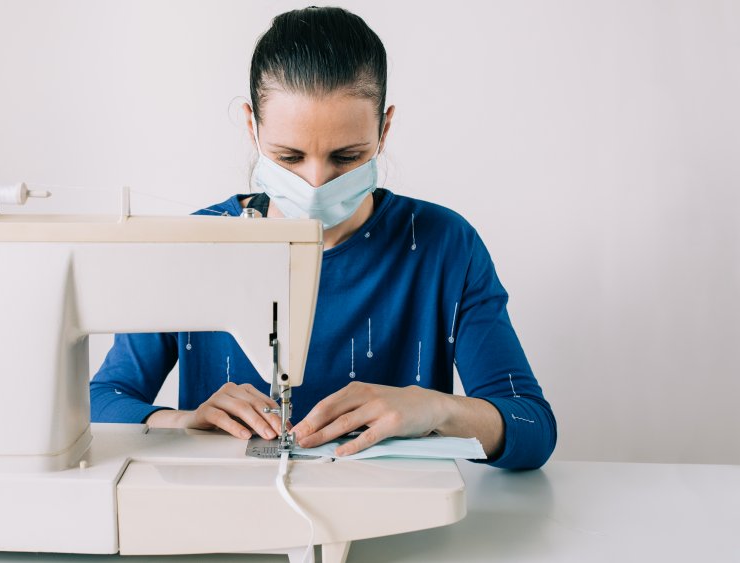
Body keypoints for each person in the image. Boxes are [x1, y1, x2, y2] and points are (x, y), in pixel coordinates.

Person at [91, 6, 556, 470]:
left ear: (384, 130)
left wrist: (437, 409)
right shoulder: (192, 247)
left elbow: (533, 428)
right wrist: (182, 421)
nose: (316, 184)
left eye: (347, 157)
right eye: (289, 157)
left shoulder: (444, 246)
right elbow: (100, 400)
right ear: (252, 129)